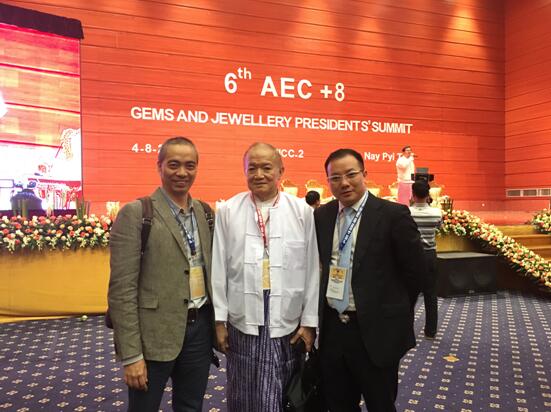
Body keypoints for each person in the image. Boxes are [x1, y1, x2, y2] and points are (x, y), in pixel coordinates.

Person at [314, 148, 426, 412]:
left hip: (377, 332)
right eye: (335, 178)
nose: (344, 183)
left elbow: (417, 272)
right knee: (338, 404)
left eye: (351, 174)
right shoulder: (322, 216)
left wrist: (393, 310)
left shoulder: (392, 215)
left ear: (364, 174)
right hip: (333, 330)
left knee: (381, 404)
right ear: (328, 181)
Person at [108, 136, 215, 411]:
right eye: (174, 164)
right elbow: (121, 291)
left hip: (199, 331)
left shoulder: (205, 213)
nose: (182, 172)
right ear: (159, 166)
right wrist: (131, 355)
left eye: (189, 165)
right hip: (153, 335)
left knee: (191, 407)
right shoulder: (137, 213)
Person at [211, 142, 319, 412]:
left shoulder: (302, 211)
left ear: (281, 170)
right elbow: (219, 269)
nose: (259, 174)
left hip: (287, 315)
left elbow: (312, 271)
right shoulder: (229, 210)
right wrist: (219, 321)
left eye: (266, 168)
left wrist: (309, 322)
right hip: (242, 315)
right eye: (252, 168)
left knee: (283, 384)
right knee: (243, 383)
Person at [409, 180, 443, 339]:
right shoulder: (437, 213)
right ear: (428, 195)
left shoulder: (407, 213)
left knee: (409, 295)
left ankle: (406, 329)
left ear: (413, 194)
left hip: (412, 256)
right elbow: (439, 228)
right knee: (430, 294)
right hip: (430, 256)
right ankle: (431, 331)